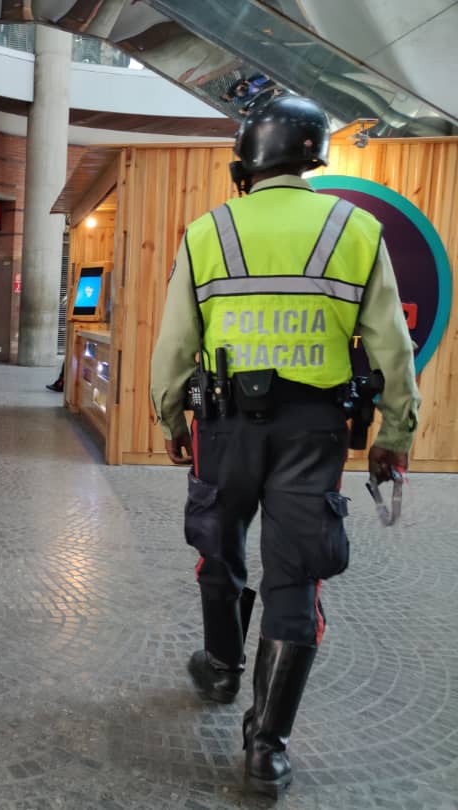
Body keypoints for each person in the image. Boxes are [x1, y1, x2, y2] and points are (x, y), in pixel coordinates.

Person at [149, 96, 419, 798]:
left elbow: (175, 340)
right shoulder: (356, 228)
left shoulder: (208, 230)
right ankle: (266, 746)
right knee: (297, 574)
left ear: (249, 160)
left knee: (220, 542)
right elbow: (392, 344)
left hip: (226, 425)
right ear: (313, 156)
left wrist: (171, 417)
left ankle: (219, 664)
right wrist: (396, 432)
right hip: (315, 428)